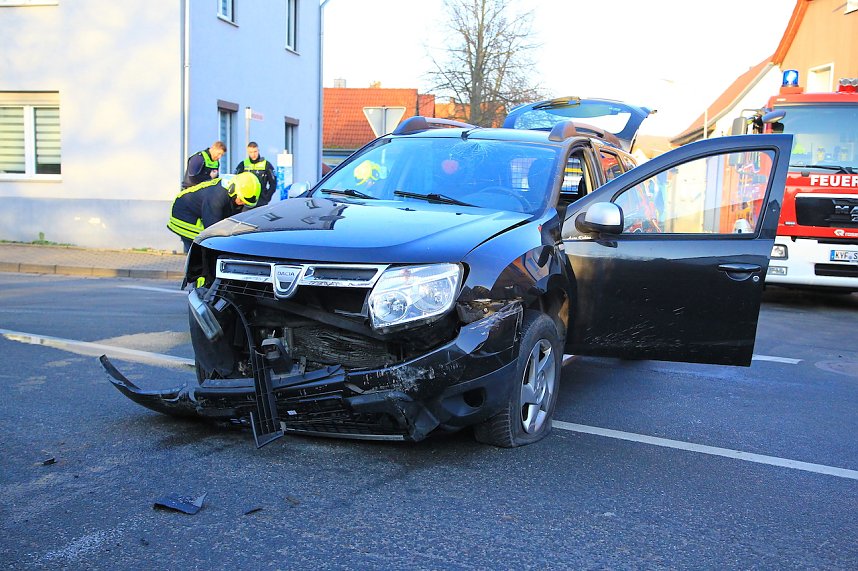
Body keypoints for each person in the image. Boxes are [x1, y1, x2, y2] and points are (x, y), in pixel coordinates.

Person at [168, 171, 261, 253]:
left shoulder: (237, 188)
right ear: (233, 190)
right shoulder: (216, 198)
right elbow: (211, 228)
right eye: (241, 200)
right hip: (182, 212)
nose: (242, 203)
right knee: (202, 243)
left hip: (198, 210)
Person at [234, 142, 277, 206]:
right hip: (246, 200)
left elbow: (273, 183)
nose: (253, 154)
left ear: (258, 151)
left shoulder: (266, 164)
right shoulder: (243, 164)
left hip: (261, 200)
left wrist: (267, 197)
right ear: (248, 152)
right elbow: (235, 180)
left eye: (255, 151)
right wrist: (237, 197)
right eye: (251, 152)